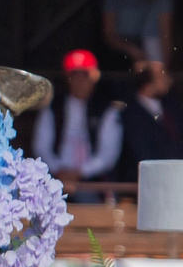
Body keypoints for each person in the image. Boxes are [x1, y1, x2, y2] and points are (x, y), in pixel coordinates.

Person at [31, 48, 120, 192]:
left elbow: (108, 155)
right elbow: (41, 146)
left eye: (84, 74)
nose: (79, 80)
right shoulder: (53, 108)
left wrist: (80, 172)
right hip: (55, 178)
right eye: (74, 74)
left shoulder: (107, 110)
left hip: (94, 183)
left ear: (95, 75)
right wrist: (59, 170)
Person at [114, 60, 183, 182]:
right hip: (147, 180)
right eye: (163, 77)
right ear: (147, 82)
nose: (169, 80)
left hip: (181, 175)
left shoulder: (173, 105)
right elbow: (140, 152)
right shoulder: (131, 114)